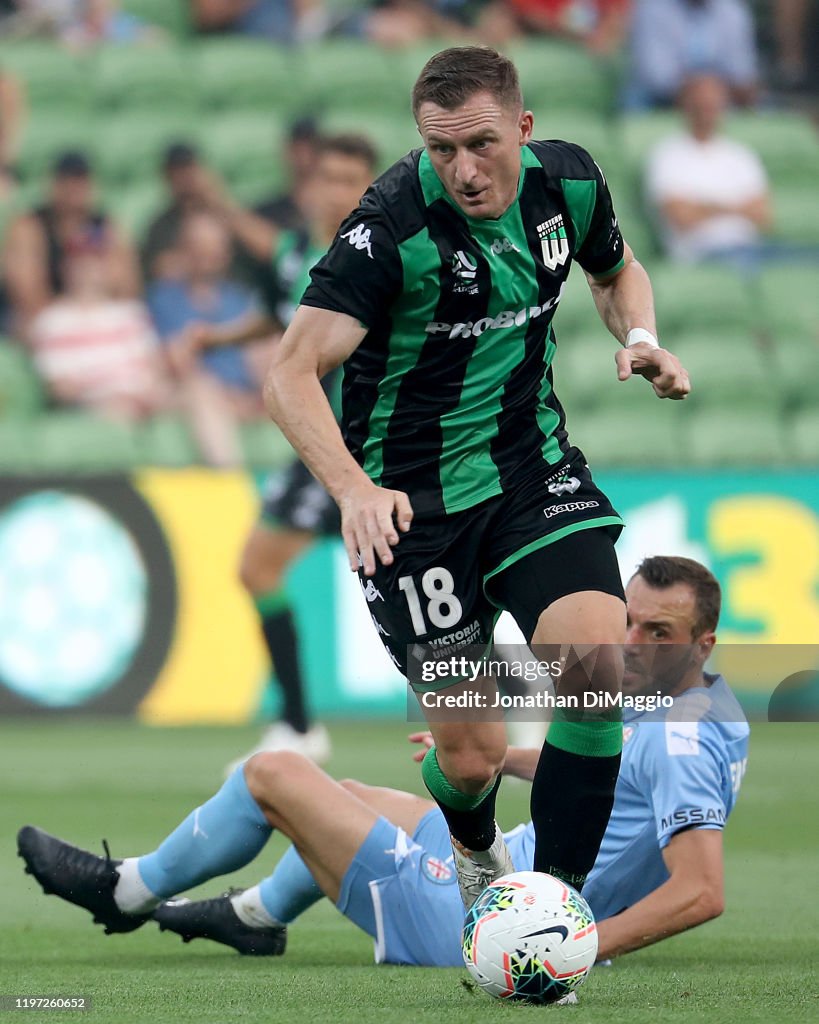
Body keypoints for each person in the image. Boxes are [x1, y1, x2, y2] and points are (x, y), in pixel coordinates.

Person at [261, 45, 690, 909]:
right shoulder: (387, 228)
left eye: (481, 145)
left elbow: (616, 271)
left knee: (596, 671)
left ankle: (552, 914)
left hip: (530, 473)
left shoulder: (569, 184)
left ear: (522, 130)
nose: (462, 170)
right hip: (410, 515)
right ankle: (473, 842)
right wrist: (351, 490)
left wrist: (637, 337)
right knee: (468, 756)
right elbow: (287, 373)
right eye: (440, 149)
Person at [17, 556, 749, 970]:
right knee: (353, 794)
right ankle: (254, 916)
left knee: (276, 774)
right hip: (518, 861)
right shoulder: (703, 706)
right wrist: (507, 762)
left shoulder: (681, 739)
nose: (628, 642)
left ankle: (126, 891)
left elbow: (701, 891)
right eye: (626, 620)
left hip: (491, 913)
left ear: (703, 642)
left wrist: (567, 946)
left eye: (657, 631)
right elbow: (622, 782)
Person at [176, 134, 379, 766]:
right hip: (321, 443)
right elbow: (285, 315)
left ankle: (538, 710)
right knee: (257, 569)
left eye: (354, 178)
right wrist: (219, 337)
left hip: (380, 443)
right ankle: (297, 725)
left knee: (452, 581)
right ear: (311, 185)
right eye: (330, 177)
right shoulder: (296, 251)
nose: (341, 191)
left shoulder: (383, 253)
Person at [147, 210, 270, 466]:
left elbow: (257, 359)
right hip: (188, 393)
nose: (207, 255)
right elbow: (176, 362)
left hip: (240, 396)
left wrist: (258, 394)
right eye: (198, 246)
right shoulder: (165, 297)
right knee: (202, 390)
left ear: (225, 253)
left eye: (214, 248)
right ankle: (230, 478)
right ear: (183, 250)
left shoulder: (238, 299)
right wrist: (227, 396)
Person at [27, 235, 171, 419]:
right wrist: (110, 396)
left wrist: (150, 393)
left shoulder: (132, 313)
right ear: (65, 267)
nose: (89, 269)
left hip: (147, 397)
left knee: (199, 392)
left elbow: (155, 367)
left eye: (96, 261)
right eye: (81, 261)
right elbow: (61, 388)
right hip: (98, 403)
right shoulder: (51, 321)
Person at [2, 151, 141, 337]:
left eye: (80, 181)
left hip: (89, 315)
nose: (74, 190)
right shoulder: (30, 226)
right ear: (54, 184)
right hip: (41, 318)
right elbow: (26, 293)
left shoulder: (105, 225)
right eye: (68, 181)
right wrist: (67, 317)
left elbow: (126, 287)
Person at [645, 74, 772, 264]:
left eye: (713, 101)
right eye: (701, 101)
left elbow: (763, 215)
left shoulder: (741, 154)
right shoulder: (667, 155)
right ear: (687, 105)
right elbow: (680, 217)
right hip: (702, 255)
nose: (708, 108)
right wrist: (737, 207)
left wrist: (705, 207)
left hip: (752, 249)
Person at [624, 0, 758, 109]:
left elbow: (742, 73)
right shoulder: (651, 8)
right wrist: (703, 92)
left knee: (759, 105)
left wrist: (711, 92)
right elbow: (657, 78)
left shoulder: (732, 10)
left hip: (722, 100)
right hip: (659, 101)